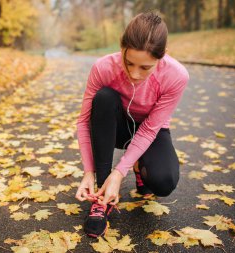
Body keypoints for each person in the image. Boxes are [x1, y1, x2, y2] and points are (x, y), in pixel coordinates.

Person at [75, 12, 190, 238]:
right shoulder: (102, 67)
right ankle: (101, 197)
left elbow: (149, 129)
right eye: (129, 63)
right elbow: (83, 121)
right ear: (122, 49)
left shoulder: (177, 75)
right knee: (104, 98)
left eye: (145, 67)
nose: (135, 74)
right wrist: (89, 171)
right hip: (116, 127)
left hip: (149, 129)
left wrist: (120, 173)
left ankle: (138, 165)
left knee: (163, 182)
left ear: (162, 56)